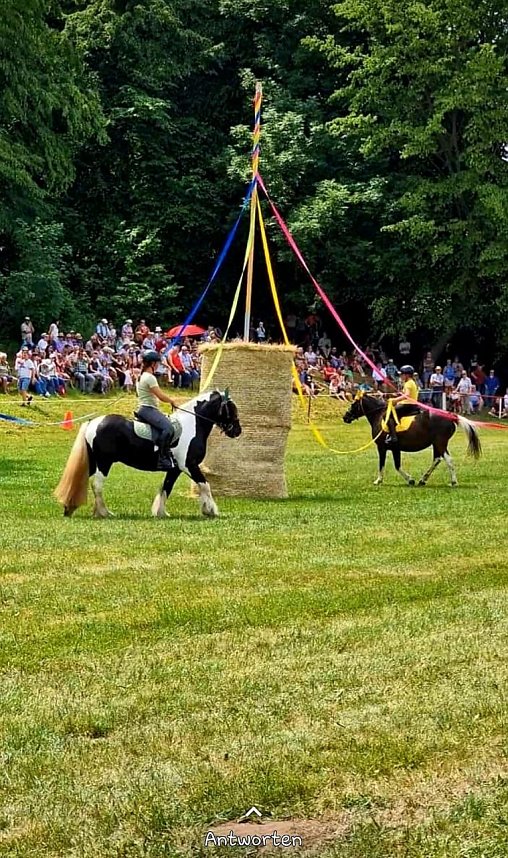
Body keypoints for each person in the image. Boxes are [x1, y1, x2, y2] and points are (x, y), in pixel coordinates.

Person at [136, 350, 179, 470]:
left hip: (144, 408)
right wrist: (172, 401)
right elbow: (160, 396)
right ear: (153, 364)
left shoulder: (141, 376)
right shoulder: (149, 378)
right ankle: (162, 458)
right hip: (148, 409)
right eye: (157, 363)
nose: (158, 365)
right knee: (168, 428)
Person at [385, 365, 420, 447]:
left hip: (408, 405)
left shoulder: (408, 383)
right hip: (411, 404)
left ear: (407, 375)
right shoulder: (411, 382)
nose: (400, 376)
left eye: (402, 374)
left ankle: (393, 436)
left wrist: (395, 400)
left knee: (389, 414)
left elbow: (407, 395)